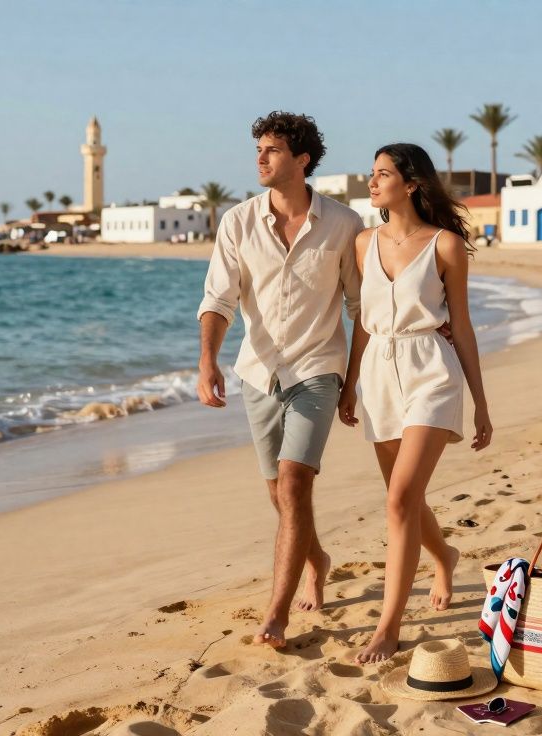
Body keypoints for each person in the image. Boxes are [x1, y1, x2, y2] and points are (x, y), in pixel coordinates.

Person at [196, 111, 364, 649]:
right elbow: (219, 299)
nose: (260, 159)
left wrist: (353, 379)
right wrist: (208, 361)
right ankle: (316, 556)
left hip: (318, 369)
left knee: (294, 483)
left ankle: (276, 613)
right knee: (279, 491)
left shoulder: (343, 223)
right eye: (259, 150)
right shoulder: (237, 222)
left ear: (302, 160)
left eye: (271, 150)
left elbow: (361, 308)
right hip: (257, 373)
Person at [339, 143, 493, 664]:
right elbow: (362, 321)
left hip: (432, 369)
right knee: (404, 498)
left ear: (410, 184)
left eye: (382, 173)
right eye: (371, 172)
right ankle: (444, 555)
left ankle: (388, 626)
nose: (372, 180)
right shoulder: (363, 243)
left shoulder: (444, 246)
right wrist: (349, 381)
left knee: (400, 499)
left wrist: (481, 402)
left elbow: (464, 327)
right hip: (380, 373)